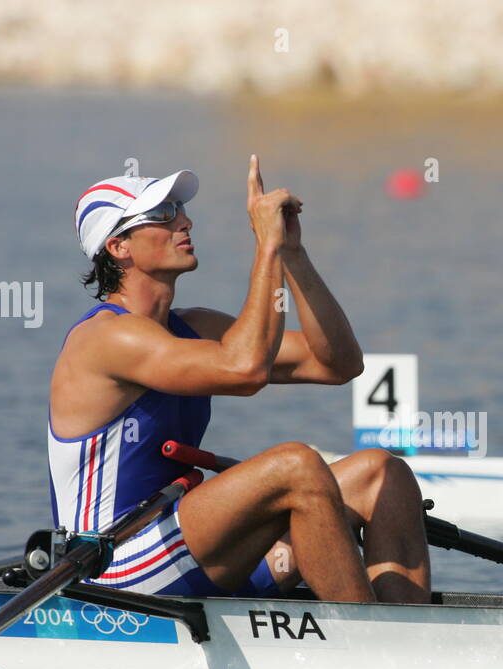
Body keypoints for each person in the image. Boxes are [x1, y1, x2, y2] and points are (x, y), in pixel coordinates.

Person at [51, 158, 430, 604]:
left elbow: (337, 364)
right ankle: (369, 646)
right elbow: (246, 370)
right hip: (114, 565)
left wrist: (291, 254)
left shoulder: (195, 326)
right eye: (164, 215)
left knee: (380, 472)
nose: (184, 221)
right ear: (118, 247)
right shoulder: (107, 337)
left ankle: (407, 628)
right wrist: (264, 246)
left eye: (181, 210)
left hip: (184, 547)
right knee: (295, 465)